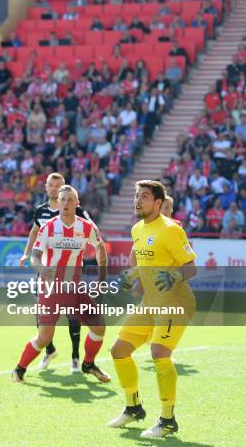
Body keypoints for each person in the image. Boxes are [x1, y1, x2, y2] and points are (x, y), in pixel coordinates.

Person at [108, 180, 197, 438]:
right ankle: (133, 407)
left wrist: (176, 277)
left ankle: (168, 421)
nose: (138, 200)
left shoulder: (171, 229)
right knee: (119, 350)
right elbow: (145, 266)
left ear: (158, 203)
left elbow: (191, 268)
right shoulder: (136, 229)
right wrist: (131, 278)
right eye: (137, 196)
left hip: (176, 303)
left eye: (144, 196)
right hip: (150, 303)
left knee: (159, 352)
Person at [12, 185, 111, 384]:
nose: (65, 203)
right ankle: (19, 369)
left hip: (73, 287)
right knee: (45, 337)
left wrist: (101, 279)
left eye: (69, 200)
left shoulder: (86, 227)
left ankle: (88, 364)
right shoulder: (49, 226)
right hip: (51, 288)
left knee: (99, 326)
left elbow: (100, 248)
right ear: (58, 202)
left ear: (77, 203)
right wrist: (41, 269)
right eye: (62, 199)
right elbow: (36, 256)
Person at [20, 173, 94, 373]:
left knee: (73, 314)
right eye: (51, 185)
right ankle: (49, 349)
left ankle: (76, 357)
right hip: (46, 271)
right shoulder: (40, 212)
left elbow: (92, 231)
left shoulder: (77, 212)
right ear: (46, 188)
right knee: (42, 314)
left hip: (68, 272)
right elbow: (34, 233)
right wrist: (27, 254)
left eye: (58, 185)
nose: (54, 189)